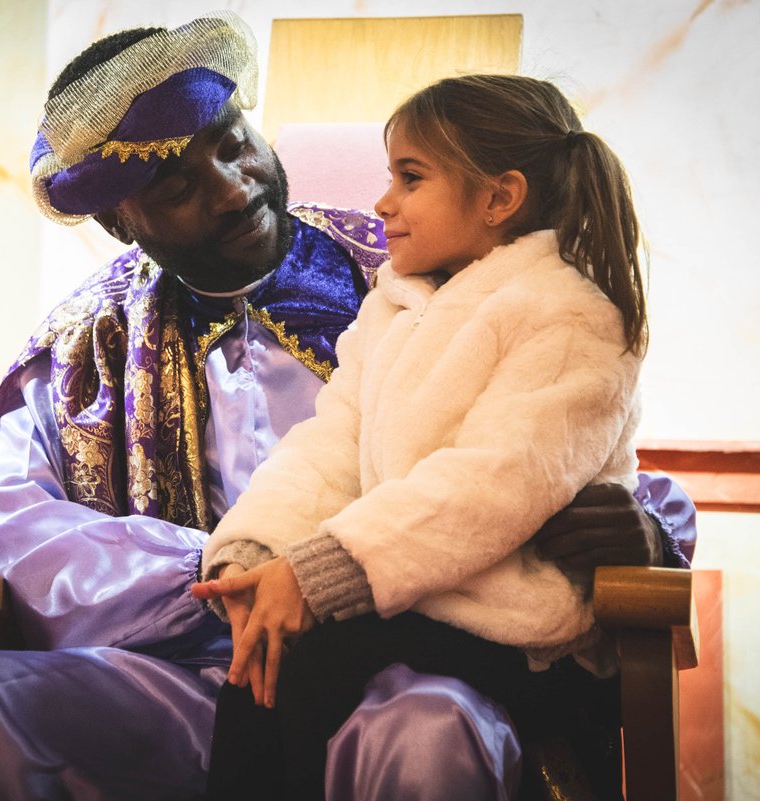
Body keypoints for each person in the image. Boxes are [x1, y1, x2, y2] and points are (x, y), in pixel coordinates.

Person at [0, 13, 694, 801]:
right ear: (123, 225)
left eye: (233, 143)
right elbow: (0, 530)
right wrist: (224, 580)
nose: (231, 186)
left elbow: (546, 446)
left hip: (388, 670)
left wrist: (647, 534)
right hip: (168, 688)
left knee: (424, 736)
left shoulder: (419, 267)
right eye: (178, 188)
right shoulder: (84, 348)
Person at [194, 72, 657, 801]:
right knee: (261, 675)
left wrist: (320, 572)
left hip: (515, 624)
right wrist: (260, 548)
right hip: (415, 598)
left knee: (298, 672)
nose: (384, 202)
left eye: (410, 178)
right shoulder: (397, 307)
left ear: (500, 198)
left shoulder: (570, 313)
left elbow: (491, 485)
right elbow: (329, 443)